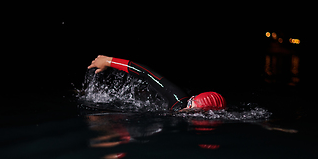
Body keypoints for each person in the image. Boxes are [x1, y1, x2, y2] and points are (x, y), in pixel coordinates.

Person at [88, 55, 226, 111]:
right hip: (146, 97)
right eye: (189, 106)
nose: (184, 111)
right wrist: (109, 60)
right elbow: (147, 74)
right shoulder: (179, 100)